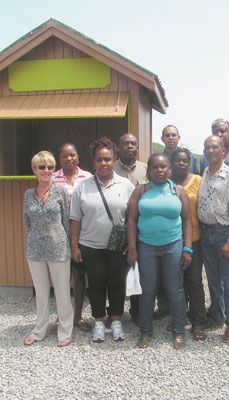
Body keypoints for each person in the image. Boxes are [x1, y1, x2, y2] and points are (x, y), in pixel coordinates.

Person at [70, 137, 134, 343]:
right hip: (90, 245)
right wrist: (74, 246)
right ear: (93, 161)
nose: (104, 163)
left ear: (114, 159)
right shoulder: (83, 186)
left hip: (118, 247)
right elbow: (75, 219)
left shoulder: (126, 185)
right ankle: (98, 322)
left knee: (117, 283)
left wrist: (132, 244)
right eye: (99, 160)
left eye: (107, 159)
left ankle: (115, 321)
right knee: (96, 284)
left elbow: (134, 218)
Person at [127, 154, 192, 349]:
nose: (160, 170)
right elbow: (131, 220)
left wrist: (188, 248)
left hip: (173, 245)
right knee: (147, 291)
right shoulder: (140, 191)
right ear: (149, 172)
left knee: (175, 290)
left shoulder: (179, 191)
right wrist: (132, 248)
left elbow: (187, 221)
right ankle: (146, 331)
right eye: (155, 167)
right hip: (146, 246)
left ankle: (179, 330)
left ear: (170, 170)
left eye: (164, 167)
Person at [23, 151, 73, 347]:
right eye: (41, 167)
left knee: (62, 292)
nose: (46, 170)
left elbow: (66, 221)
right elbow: (27, 223)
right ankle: (40, 329)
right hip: (35, 250)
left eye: (50, 167)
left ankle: (65, 329)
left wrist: (63, 241)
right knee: (41, 293)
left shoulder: (60, 191)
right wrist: (38, 236)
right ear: (34, 170)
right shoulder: (28, 194)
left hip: (59, 248)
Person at [198, 135, 229, 343]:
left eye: (214, 147)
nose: (210, 150)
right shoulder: (205, 172)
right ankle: (217, 316)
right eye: (207, 147)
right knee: (213, 280)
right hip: (206, 234)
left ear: (224, 151)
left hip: (224, 234)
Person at [156, 125, 199, 319]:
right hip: (169, 234)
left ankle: (193, 315)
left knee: (192, 277)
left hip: (193, 234)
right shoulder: (162, 173)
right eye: (168, 135)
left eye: (174, 135)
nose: (171, 138)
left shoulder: (195, 176)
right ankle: (170, 311)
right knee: (169, 278)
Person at [52, 143, 92, 332]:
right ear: (59, 159)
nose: (69, 159)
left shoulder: (88, 178)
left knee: (80, 277)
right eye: (65, 156)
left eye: (72, 155)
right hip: (59, 236)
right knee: (62, 278)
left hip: (83, 235)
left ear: (78, 157)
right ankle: (63, 317)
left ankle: (77, 317)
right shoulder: (52, 179)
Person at [170, 148, 207, 341]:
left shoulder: (199, 181)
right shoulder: (165, 182)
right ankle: (179, 318)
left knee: (194, 281)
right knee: (175, 282)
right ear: (172, 162)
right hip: (171, 240)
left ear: (189, 162)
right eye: (178, 160)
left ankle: (198, 322)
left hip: (194, 238)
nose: (181, 164)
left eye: (185, 160)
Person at [114, 133, 147, 324]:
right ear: (118, 147)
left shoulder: (145, 169)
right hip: (117, 228)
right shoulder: (110, 168)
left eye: (133, 144)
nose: (129, 146)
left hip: (140, 228)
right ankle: (115, 311)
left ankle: (136, 311)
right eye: (125, 143)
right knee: (117, 274)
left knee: (138, 271)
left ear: (137, 147)